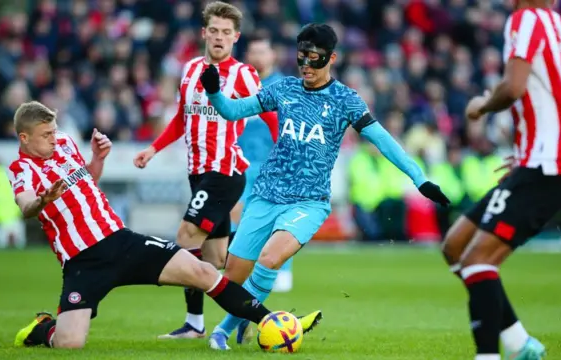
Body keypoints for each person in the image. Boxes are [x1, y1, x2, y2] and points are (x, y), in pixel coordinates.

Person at [198, 23, 451, 350]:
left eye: (314, 58)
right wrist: (215, 92)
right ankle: (251, 319)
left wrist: (420, 178)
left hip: (309, 203)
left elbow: (384, 141)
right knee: (233, 275)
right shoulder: (284, 88)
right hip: (265, 195)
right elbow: (234, 111)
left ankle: (222, 331)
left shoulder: (346, 99)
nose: (306, 65)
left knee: (270, 259)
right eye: (302, 57)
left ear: (331, 58)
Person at [10, 101, 318, 349]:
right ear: (24, 138)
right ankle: (42, 329)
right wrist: (43, 200)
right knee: (69, 344)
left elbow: (88, 181)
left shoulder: (64, 143)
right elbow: (26, 206)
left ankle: (270, 322)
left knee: (203, 272)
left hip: (121, 241)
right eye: (46, 134)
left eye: (54, 130)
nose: (54, 137)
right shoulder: (20, 168)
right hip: (82, 262)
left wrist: (97, 159)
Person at [440, 4, 561, 360]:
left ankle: (491, 355)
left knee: (478, 261)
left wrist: (481, 105)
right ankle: (518, 343)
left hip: (546, 168)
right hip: (542, 163)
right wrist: (550, 146)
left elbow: (513, 88)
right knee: (456, 246)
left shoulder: (525, 20)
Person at [132, 1, 278, 340]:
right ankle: (241, 313)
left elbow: (270, 115)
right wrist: (153, 148)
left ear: (235, 38)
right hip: (198, 172)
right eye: (213, 30)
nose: (219, 37)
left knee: (185, 237)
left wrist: (283, 151)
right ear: (204, 33)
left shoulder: (243, 74)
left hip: (224, 172)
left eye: (226, 32)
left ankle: (195, 324)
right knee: (216, 259)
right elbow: (183, 118)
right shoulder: (190, 68)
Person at [234, 33, 294, 295]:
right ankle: (240, 269)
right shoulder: (236, 87)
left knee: (278, 219)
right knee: (238, 218)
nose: (258, 56)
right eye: (253, 52)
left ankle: (282, 270)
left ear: (272, 56)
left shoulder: (284, 87)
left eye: (263, 51)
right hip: (240, 166)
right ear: (247, 56)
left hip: (274, 167)